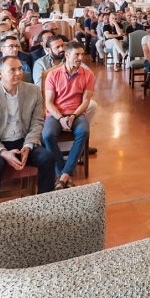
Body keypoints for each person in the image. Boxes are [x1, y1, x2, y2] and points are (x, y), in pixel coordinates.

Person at [0, 56, 56, 209]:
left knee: (47, 158)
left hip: (23, 139)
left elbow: (37, 122)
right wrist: (3, 152)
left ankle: (45, 207)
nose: (18, 73)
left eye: (20, 69)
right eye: (13, 69)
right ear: (0, 73)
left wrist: (28, 146)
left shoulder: (33, 90)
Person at [42, 41, 94, 190]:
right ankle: (63, 174)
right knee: (47, 135)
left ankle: (63, 176)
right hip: (56, 114)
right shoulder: (53, 74)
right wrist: (61, 118)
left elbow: (86, 101)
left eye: (82, 54)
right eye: (76, 54)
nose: (80, 58)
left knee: (83, 130)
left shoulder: (88, 74)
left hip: (76, 113)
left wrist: (72, 116)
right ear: (67, 55)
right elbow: (49, 103)